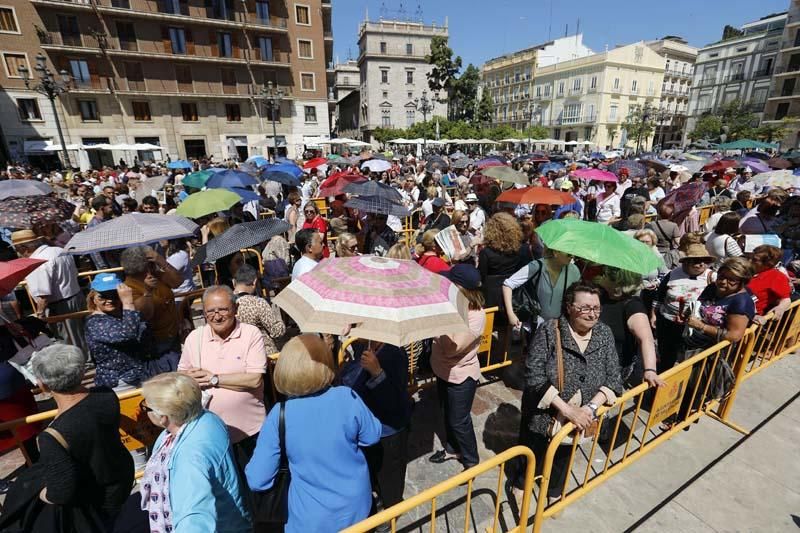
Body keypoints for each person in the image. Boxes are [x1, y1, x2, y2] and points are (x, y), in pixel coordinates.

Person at [245, 334, 382, 532]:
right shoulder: (346, 396)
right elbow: (372, 435)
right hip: (358, 510)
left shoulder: (280, 414)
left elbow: (258, 480)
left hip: (311, 520)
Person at [518, 282, 623, 504]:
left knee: (565, 454)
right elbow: (533, 373)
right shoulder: (550, 330)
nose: (592, 314)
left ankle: (554, 491)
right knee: (532, 449)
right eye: (585, 308)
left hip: (582, 415)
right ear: (568, 307)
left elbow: (614, 377)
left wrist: (590, 408)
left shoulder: (604, 333)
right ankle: (522, 483)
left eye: (596, 308)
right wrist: (567, 410)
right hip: (543, 413)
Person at [29, 344, 134, 530]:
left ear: (43, 385)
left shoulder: (52, 436)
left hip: (95, 502)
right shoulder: (106, 395)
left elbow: (61, 492)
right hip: (122, 478)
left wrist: (40, 494)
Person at [140, 373, 252, 533]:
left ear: (163, 417)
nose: (143, 409)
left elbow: (195, 516)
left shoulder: (190, 458)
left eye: (145, 406)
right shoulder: (205, 417)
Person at [179, 285, 267, 464]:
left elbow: (254, 379)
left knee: (255, 486)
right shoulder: (194, 338)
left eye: (223, 310)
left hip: (250, 432)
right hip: (209, 435)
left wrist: (213, 378)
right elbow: (181, 378)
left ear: (235, 309)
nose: (217, 316)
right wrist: (190, 379)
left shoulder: (251, 334)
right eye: (210, 311)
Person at [339, 340, 413, 512]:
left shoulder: (395, 354)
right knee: (374, 470)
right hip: (368, 427)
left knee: (390, 477)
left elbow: (394, 400)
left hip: (389, 430)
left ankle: (391, 511)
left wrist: (377, 372)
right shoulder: (364, 347)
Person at [428, 264, 486, 470]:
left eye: (450, 283)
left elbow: (453, 347)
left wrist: (438, 322)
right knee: (447, 413)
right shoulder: (453, 305)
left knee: (459, 421)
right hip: (443, 370)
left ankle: (471, 460)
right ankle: (453, 449)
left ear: (460, 288)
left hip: (461, 376)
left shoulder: (476, 315)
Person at [85, 273, 178, 389]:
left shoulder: (124, 314)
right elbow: (128, 334)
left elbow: (146, 316)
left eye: (115, 295)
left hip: (140, 375)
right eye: (102, 296)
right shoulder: (95, 323)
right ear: (93, 298)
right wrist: (128, 302)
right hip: (119, 382)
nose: (109, 300)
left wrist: (147, 292)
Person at [12, 229, 87, 352]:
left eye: (16, 249)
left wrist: (39, 315)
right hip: (76, 297)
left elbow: (43, 296)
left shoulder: (37, 262)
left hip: (60, 307)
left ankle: (81, 365)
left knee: (69, 342)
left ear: (24, 248)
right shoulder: (58, 250)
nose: (17, 253)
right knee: (82, 335)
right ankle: (87, 361)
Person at [593, 266, 665, 388]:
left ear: (616, 281)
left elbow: (646, 339)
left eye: (607, 275)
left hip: (614, 366)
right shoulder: (599, 295)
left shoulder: (633, 306)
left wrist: (650, 370)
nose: (603, 276)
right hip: (592, 359)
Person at [650, 243, 715, 373]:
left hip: (694, 327)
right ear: (686, 262)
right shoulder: (673, 274)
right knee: (666, 355)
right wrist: (653, 314)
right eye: (695, 261)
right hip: (668, 322)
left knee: (688, 359)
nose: (700, 264)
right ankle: (661, 382)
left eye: (704, 261)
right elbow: (659, 295)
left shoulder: (713, 277)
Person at [681, 257, 755, 351]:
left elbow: (734, 335)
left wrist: (701, 326)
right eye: (721, 276)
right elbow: (700, 306)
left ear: (743, 282)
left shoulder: (741, 302)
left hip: (714, 354)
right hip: (693, 343)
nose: (723, 282)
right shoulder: (712, 288)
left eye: (731, 280)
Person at [120, 245, 183, 356]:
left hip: (173, 335)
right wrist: (147, 291)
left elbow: (177, 281)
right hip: (156, 344)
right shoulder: (128, 287)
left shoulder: (156, 276)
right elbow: (144, 313)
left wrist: (162, 262)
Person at [502, 248, 581, 332]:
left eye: (574, 254)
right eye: (569, 254)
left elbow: (577, 296)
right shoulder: (537, 266)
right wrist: (511, 314)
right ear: (555, 252)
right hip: (536, 325)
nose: (572, 256)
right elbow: (507, 285)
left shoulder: (574, 271)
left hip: (560, 326)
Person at [233, 264, 285, 354]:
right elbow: (276, 332)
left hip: (237, 354)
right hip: (262, 353)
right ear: (255, 282)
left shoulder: (226, 303)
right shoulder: (258, 303)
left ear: (234, 282)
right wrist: (280, 319)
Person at [747, 245, 792, 322]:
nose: (749, 261)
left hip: (748, 318)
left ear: (768, 264)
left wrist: (780, 308)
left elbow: (786, 299)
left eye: (754, 260)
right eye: (750, 257)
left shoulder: (776, 276)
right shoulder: (744, 270)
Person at [646, 204, 681, 269]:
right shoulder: (674, 226)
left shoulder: (651, 224)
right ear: (671, 214)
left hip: (654, 252)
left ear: (659, 213)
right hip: (667, 253)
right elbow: (677, 242)